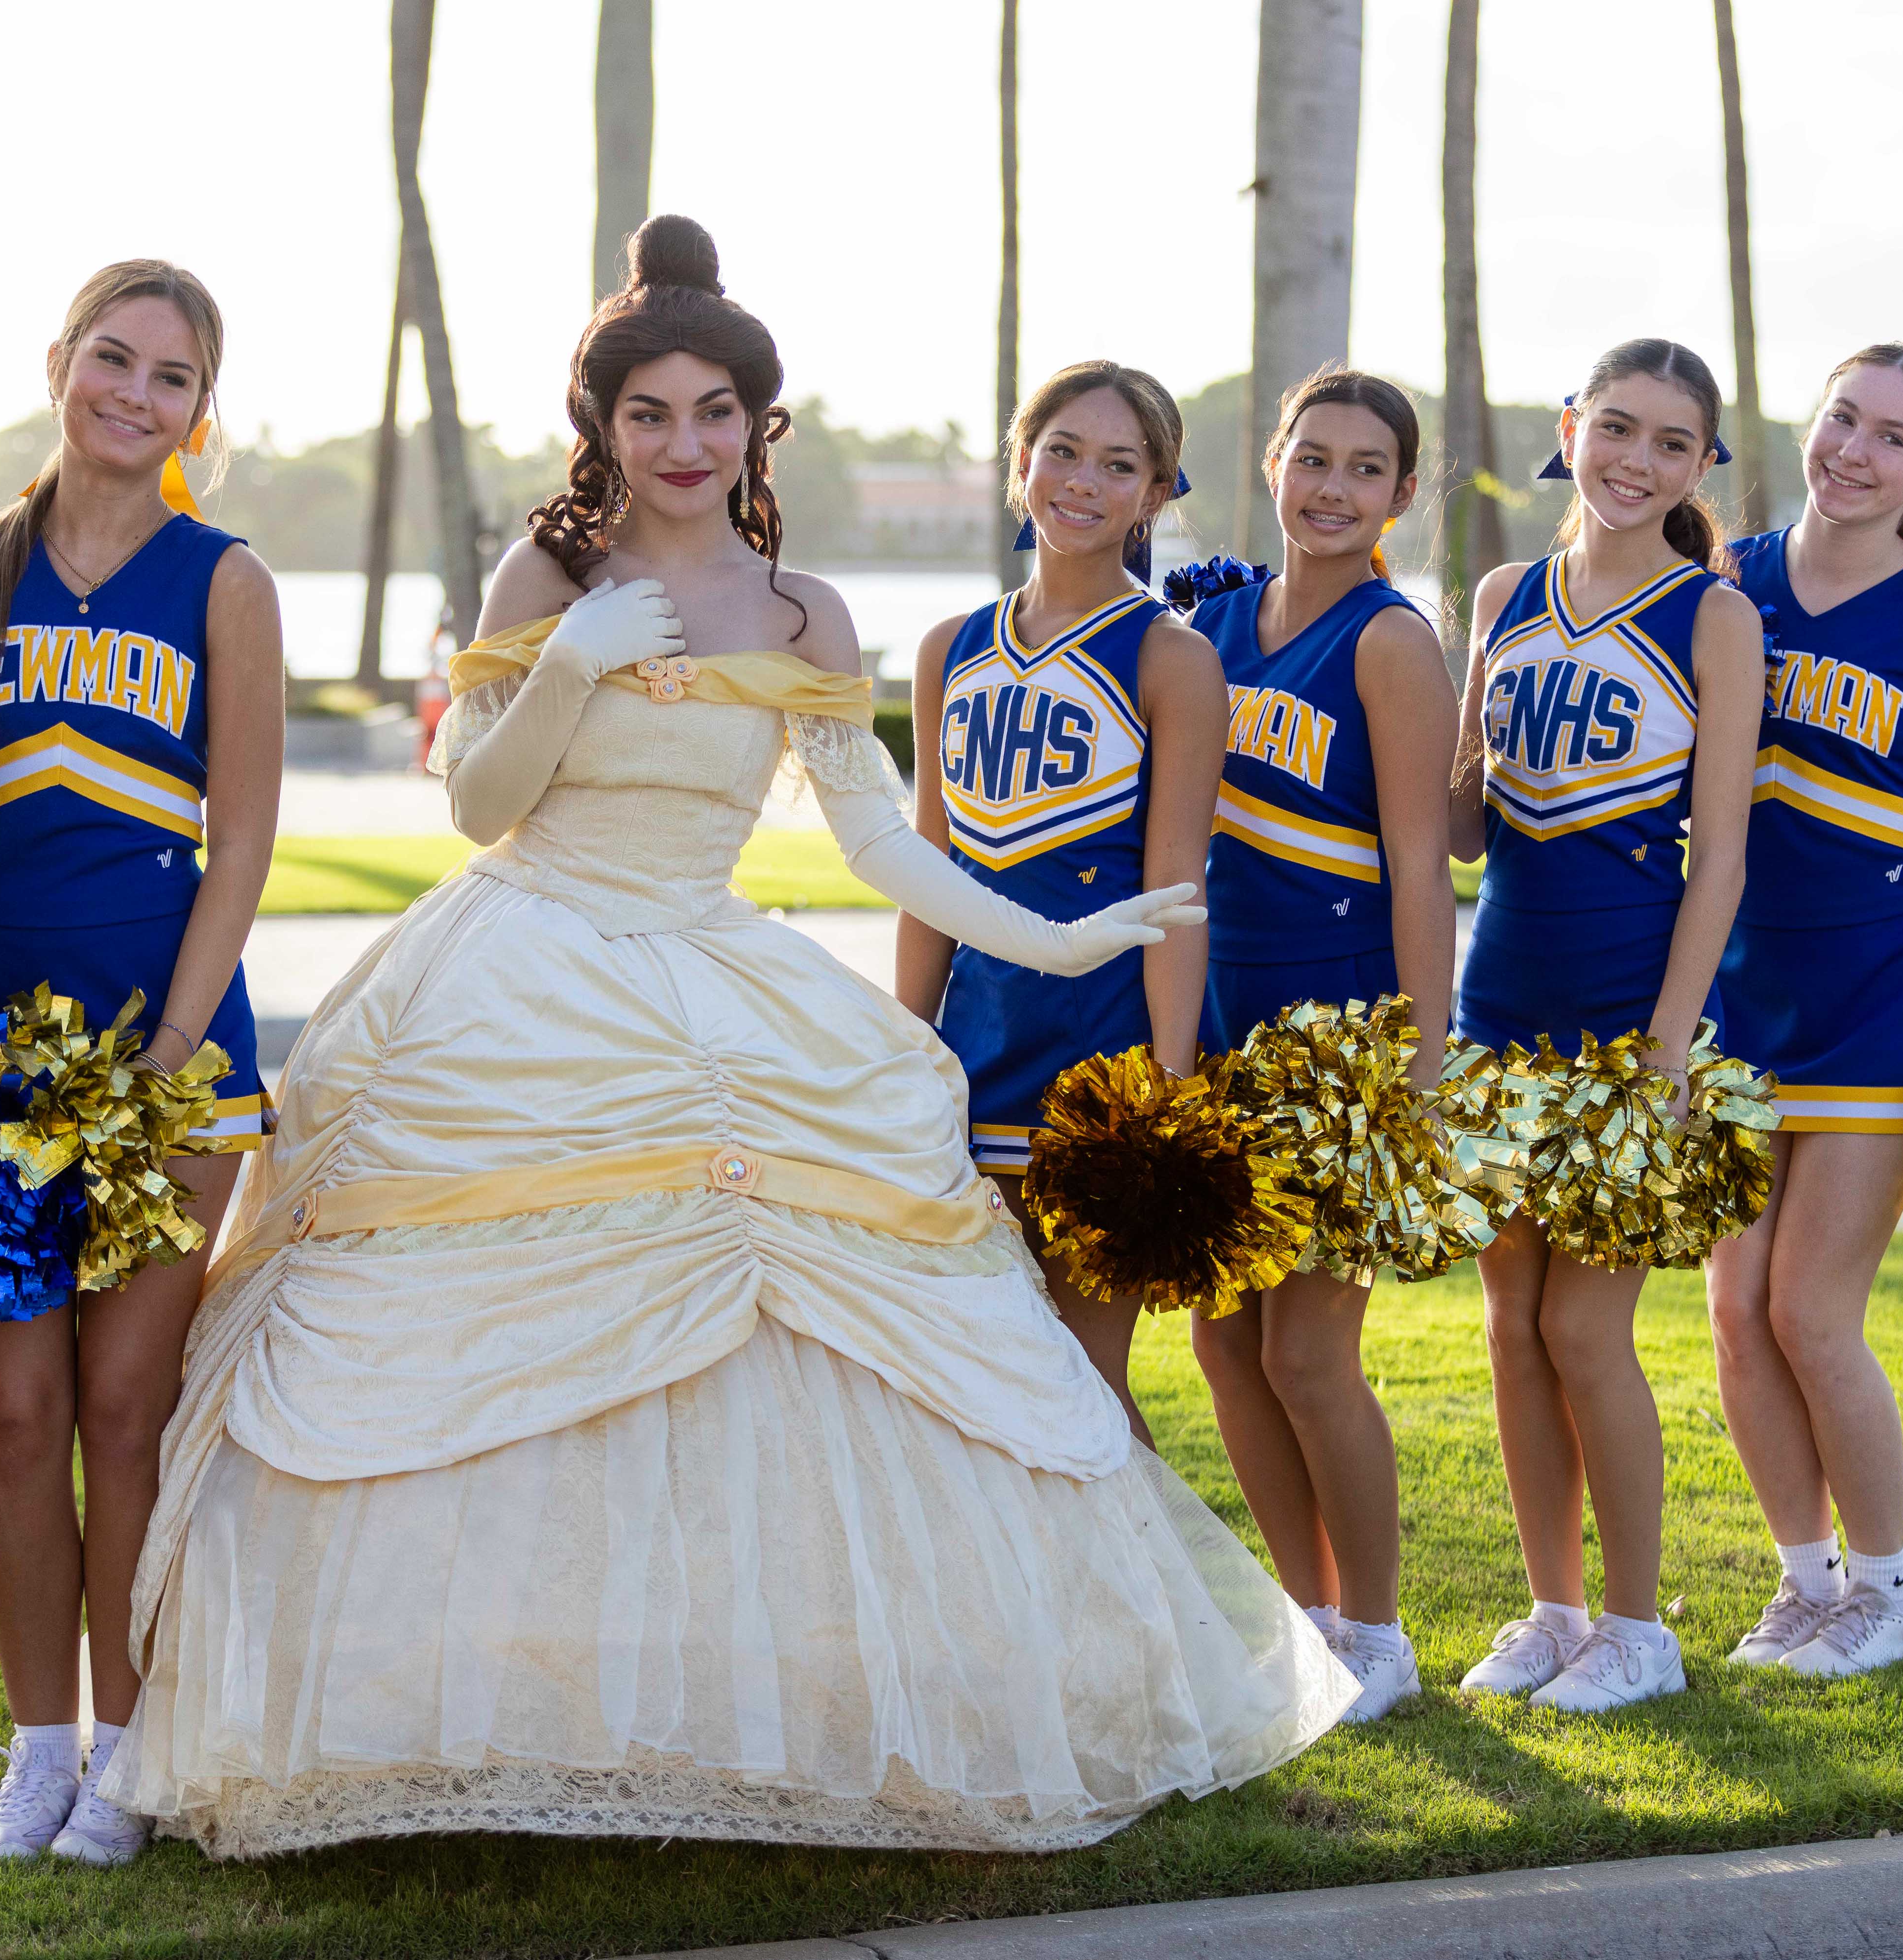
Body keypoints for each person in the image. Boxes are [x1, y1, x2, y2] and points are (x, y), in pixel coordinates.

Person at [94, 217, 1355, 1858]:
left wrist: (1048, 934)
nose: (683, 445)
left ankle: (728, 1710)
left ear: (760, 427)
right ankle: (470, 1715)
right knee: (488, 1336)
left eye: (714, 414)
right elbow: (477, 803)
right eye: (650, 414)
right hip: (516, 969)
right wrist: (569, 666)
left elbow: (880, 839)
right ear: (604, 425)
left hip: (707, 956)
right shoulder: (546, 578)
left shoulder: (803, 612)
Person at [0, 262, 283, 1866]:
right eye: (113, 359)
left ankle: (125, 1755)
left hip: (172, 1066)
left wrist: (172, 1051)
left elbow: (244, 835)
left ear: (201, 408)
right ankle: (36, 1754)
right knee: (13, 1414)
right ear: (59, 363)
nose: (135, 394)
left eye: (172, 376)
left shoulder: (225, 579)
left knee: (126, 1409)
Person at [1445, 337, 1763, 1713]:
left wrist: (1671, 1043)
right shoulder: (1504, 595)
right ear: (1570, 426)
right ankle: (1554, 1608)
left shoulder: (1713, 617)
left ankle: (1640, 1627)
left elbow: (1723, 856)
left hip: (1631, 1015)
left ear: (1701, 466)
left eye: (1671, 442)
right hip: (1500, 1001)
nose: (1636, 460)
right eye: (1617, 427)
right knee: (1511, 1324)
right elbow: (1467, 828)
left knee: (1586, 1328)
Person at [1706, 343, 1903, 1680]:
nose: (1854, 451)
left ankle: (1886, 1596)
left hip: (1882, 997)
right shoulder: (1720, 582)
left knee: (1810, 1311)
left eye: (1894, 436)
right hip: (1732, 996)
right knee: (1735, 1310)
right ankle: (1805, 1584)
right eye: (1843, 419)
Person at [1179, 367, 1458, 1723]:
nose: (1332, 488)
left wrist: (1423, 1063)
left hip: (1342, 1036)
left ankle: (1382, 1633)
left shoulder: (1390, 640)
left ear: (1402, 493)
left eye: (1364, 468)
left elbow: (1422, 867)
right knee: (1224, 1346)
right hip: (1221, 1024)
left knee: (1308, 1354)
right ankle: (1310, 1620)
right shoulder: (1214, 626)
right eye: (1313, 458)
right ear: (1271, 462)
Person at [897, 360, 1226, 1443]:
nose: (1084, 481)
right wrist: (907, 1057)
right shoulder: (951, 648)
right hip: (973, 1053)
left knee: (1085, 1382)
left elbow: (1177, 894)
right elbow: (929, 874)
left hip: (1102, 1063)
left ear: (1156, 494)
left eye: (1120, 465)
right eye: (1064, 452)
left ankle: (1148, 1564)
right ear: (1022, 462)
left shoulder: (1172, 657)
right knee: (977, 1374)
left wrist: (1168, 1095)